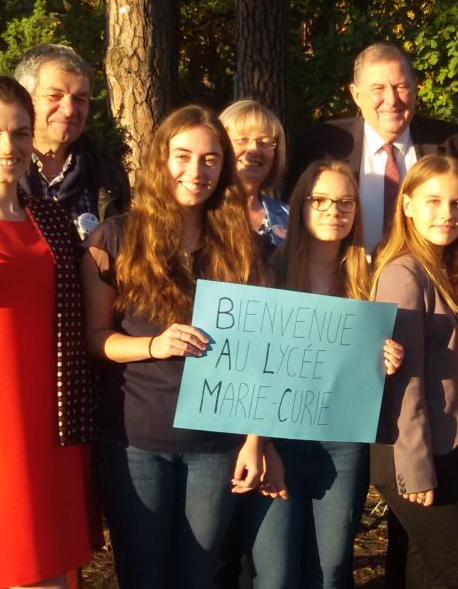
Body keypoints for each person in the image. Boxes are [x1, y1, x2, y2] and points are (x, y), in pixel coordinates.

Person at [81, 104, 266, 586]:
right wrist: (153, 345)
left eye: (210, 159)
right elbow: (97, 341)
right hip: (137, 443)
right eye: (182, 156)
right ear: (160, 160)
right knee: (144, 575)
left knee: (197, 575)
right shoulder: (115, 237)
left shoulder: (239, 244)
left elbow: (256, 353)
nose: (196, 171)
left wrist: (253, 440)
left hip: (215, 446)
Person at [0, 76, 101, 587]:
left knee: (56, 569)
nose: (8, 147)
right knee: (11, 565)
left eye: (21, 133)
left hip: (55, 420)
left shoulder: (49, 217)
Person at [227, 159, 403, 588]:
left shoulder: (369, 276)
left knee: (332, 570)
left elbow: (370, 363)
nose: (333, 211)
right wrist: (259, 441)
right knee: (276, 574)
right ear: (300, 205)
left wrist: (388, 356)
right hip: (277, 438)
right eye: (320, 200)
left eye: (345, 202)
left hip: (342, 440)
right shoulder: (269, 270)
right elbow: (251, 363)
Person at [370, 155, 458, 588]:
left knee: (424, 574)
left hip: (451, 448)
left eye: (457, 203)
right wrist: (417, 468)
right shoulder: (404, 274)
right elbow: (404, 383)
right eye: (432, 201)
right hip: (412, 452)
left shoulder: (457, 271)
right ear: (406, 205)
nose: (446, 214)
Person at [288, 42, 458, 251]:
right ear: (356, 95)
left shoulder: (457, 145)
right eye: (378, 89)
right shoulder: (318, 145)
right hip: (344, 278)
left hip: (431, 278)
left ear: (416, 88)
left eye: (401, 87)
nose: (391, 100)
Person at [0, 43, 129, 238]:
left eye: (80, 99)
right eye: (55, 96)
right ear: (26, 99)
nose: (69, 110)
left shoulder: (106, 174)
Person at [220, 100, 289, 257]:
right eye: (242, 139)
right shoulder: (202, 210)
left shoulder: (288, 218)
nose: (254, 149)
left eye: (264, 142)